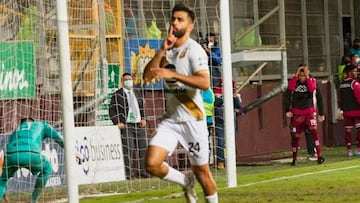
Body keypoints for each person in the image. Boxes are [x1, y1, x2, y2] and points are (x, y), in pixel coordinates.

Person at [142, 3, 218, 203]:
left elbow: (204, 83)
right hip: (171, 121)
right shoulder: (167, 49)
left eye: (180, 19)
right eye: (173, 18)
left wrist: (173, 74)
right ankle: (185, 182)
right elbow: (147, 77)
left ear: (190, 26)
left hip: (193, 120)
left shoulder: (194, 50)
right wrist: (160, 51)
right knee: (152, 163)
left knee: (202, 173)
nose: (174, 22)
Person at [0, 118, 64, 203]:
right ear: (33, 122)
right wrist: (72, 151)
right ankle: (33, 200)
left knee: (3, 180)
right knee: (47, 168)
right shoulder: (41, 124)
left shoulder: (16, 130)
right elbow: (59, 138)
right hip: (32, 153)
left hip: (11, 155)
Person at [109, 73, 149, 179]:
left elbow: (142, 106)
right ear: (122, 81)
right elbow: (112, 109)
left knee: (143, 148)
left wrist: (144, 118)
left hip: (139, 125)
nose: (128, 81)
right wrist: (117, 122)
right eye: (125, 80)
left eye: (130, 79)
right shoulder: (118, 94)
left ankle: (143, 172)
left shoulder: (137, 92)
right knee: (128, 149)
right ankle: (128, 174)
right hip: (127, 126)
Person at [284, 65, 325, 166]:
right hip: (297, 113)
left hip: (309, 112)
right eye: (300, 75)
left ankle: (319, 155)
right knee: (296, 136)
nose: (302, 77)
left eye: (304, 74)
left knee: (314, 131)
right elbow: (289, 92)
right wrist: (287, 110)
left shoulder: (312, 81)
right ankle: (294, 158)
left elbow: (312, 90)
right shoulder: (294, 81)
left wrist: (321, 113)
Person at [213, 79, 242, 169]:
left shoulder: (235, 95)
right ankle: (220, 162)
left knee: (230, 142)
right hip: (220, 122)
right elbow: (215, 104)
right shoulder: (216, 94)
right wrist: (223, 97)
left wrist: (235, 97)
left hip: (231, 121)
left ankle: (230, 161)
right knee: (221, 143)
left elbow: (239, 107)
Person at [338, 64, 360, 157]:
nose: (356, 73)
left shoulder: (342, 84)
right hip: (356, 111)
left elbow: (340, 99)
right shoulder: (354, 83)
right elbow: (359, 97)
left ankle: (349, 151)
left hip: (346, 112)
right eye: (354, 71)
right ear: (349, 72)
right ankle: (358, 149)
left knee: (348, 130)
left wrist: (341, 109)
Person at [201, 88, 215, 163]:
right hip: (208, 120)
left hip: (200, 120)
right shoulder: (210, 92)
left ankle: (203, 161)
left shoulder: (198, 90)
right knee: (206, 141)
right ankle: (206, 161)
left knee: (201, 142)